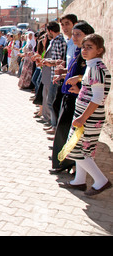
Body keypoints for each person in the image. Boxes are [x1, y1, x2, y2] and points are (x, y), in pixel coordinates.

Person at [60, 34, 112, 196]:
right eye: (84, 47)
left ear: (99, 50)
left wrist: (83, 118)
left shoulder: (96, 67)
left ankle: (101, 181)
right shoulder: (93, 65)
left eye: (90, 47)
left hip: (89, 117)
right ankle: (79, 181)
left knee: (78, 150)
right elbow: (92, 90)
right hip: (87, 115)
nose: (85, 50)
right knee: (82, 150)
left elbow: (97, 97)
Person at [49, 21, 94, 175]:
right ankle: (64, 163)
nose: (74, 37)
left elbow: (91, 75)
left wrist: (79, 84)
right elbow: (75, 71)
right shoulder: (78, 52)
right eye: (73, 34)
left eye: (78, 34)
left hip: (77, 98)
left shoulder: (89, 55)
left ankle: (69, 164)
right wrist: (63, 74)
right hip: (69, 94)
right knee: (63, 130)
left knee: (68, 132)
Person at [42, 22, 67, 137]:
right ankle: (53, 124)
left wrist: (48, 62)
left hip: (56, 77)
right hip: (54, 76)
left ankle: (55, 126)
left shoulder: (58, 41)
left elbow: (59, 60)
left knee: (52, 102)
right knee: (51, 101)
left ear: (50, 31)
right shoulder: (57, 41)